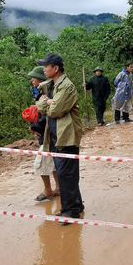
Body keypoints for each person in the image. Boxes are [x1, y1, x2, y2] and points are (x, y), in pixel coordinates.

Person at [35, 53, 84, 221]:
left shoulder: (66, 86)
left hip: (67, 136)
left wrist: (47, 103)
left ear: (55, 68)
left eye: (46, 66)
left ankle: (70, 211)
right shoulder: (52, 85)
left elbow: (56, 110)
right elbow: (41, 103)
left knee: (67, 174)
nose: (43, 68)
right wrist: (47, 102)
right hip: (56, 135)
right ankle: (75, 204)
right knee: (65, 173)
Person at [27, 66, 60, 202]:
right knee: (52, 161)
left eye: (34, 78)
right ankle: (58, 188)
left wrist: (35, 127)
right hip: (49, 133)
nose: (32, 81)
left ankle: (48, 190)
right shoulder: (40, 92)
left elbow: (47, 115)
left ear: (40, 80)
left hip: (49, 133)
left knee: (39, 163)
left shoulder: (45, 94)